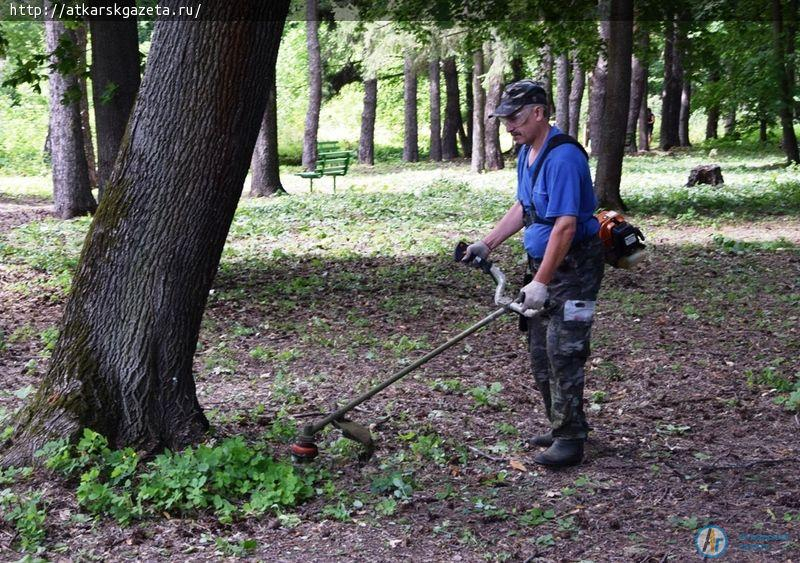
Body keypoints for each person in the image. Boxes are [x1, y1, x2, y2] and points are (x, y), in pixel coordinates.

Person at [462, 80, 604, 467]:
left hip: (574, 269)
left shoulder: (563, 158)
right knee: (540, 351)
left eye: (515, 118)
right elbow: (525, 208)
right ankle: (561, 424)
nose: (509, 126)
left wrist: (540, 282)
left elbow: (565, 227)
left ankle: (572, 439)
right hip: (543, 268)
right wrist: (487, 244)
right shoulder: (527, 153)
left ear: (539, 113)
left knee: (565, 351)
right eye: (504, 119)